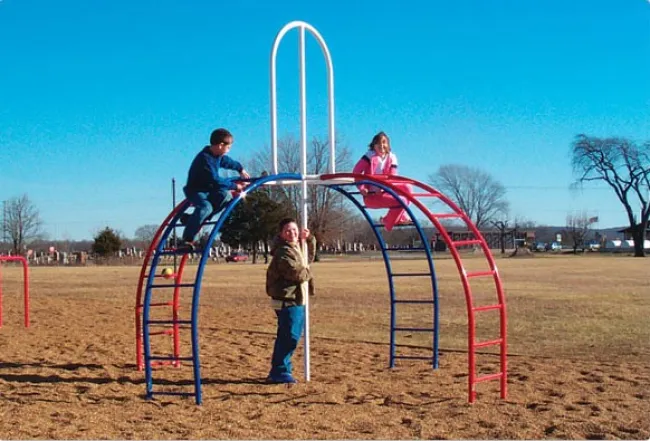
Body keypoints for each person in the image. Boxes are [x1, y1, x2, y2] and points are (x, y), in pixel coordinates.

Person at [181, 128, 250, 248]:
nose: (229, 150)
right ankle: (187, 239)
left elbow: (229, 162)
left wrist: (240, 169)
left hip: (209, 190)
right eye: (228, 147)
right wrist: (235, 186)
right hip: (196, 191)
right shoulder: (205, 159)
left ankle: (193, 219)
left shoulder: (218, 156)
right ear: (220, 145)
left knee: (226, 196)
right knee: (206, 207)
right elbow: (215, 180)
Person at [265, 218, 315, 384]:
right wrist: (309, 273)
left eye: (294, 230)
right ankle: (280, 370)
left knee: (290, 336)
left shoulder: (296, 247)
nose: (292, 233)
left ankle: (281, 369)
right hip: (287, 300)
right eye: (287, 230)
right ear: (281, 234)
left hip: (297, 298)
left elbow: (308, 258)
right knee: (289, 337)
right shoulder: (283, 251)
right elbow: (296, 273)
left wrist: (309, 240)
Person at [352, 131, 413, 231]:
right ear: (373, 145)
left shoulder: (392, 157)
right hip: (371, 196)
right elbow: (356, 172)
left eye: (384, 142)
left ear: (388, 144)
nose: (381, 145)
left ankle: (399, 216)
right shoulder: (369, 156)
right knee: (402, 201)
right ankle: (388, 220)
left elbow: (392, 177)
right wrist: (362, 188)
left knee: (408, 187)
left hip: (385, 191)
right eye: (378, 143)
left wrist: (384, 189)